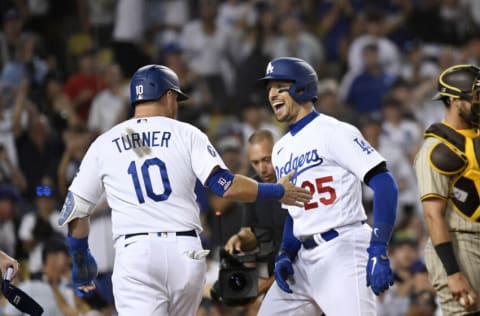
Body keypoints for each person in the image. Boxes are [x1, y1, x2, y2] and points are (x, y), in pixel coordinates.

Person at [57, 64, 312, 316]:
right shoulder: (187, 133)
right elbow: (225, 185)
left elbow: (75, 209)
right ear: (168, 97)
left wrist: (80, 257)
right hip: (185, 253)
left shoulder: (104, 143)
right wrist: (276, 191)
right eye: (176, 99)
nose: (176, 106)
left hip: (136, 253)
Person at [256, 57, 399, 315]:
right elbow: (293, 210)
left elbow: (384, 182)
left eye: (279, 86)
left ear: (301, 87)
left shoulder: (335, 131)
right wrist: (286, 251)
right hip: (303, 259)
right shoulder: (280, 149)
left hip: (342, 248)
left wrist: (379, 246)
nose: (271, 94)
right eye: (269, 88)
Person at [414, 64, 480, 315]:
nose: (479, 101)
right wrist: (453, 273)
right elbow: (433, 215)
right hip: (460, 243)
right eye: (475, 96)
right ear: (454, 99)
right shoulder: (436, 149)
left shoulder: (476, 137)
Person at [223, 129, 288, 312]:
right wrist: (240, 238)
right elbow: (249, 230)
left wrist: (264, 287)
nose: (262, 168)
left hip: (306, 270)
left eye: (266, 160)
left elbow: (302, 250)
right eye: (256, 162)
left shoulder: (295, 184)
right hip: (276, 272)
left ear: (278, 152)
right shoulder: (253, 187)